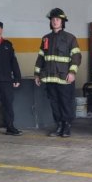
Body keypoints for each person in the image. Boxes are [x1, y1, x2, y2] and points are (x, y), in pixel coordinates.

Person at [34, 8, 82, 138]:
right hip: (49, 78)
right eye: (53, 19)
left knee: (65, 103)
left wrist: (72, 72)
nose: (55, 21)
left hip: (64, 78)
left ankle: (66, 126)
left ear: (62, 22)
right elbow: (40, 58)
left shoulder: (70, 38)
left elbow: (76, 57)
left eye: (57, 19)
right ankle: (59, 125)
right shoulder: (45, 39)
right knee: (54, 104)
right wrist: (37, 74)